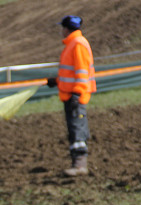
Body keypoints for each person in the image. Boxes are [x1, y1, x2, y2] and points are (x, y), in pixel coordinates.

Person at [46, 15, 96, 177]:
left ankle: (80, 165)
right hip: (70, 94)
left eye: (62, 27)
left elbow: (82, 72)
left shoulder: (77, 44)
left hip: (75, 96)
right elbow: (72, 72)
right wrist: (57, 81)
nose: (61, 31)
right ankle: (78, 164)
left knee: (77, 129)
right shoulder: (73, 44)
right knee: (75, 128)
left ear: (66, 29)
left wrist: (77, 93)